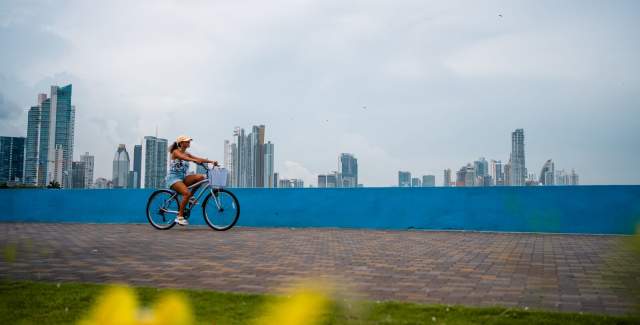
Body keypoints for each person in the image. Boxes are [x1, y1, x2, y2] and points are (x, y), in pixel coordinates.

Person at [166, 135, 217, 225]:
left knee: (201, 177)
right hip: (173, 179)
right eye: (187, 141)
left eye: (189, 141)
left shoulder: (187, 153)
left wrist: (211, 161)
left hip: (183, 178)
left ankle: (190, 198)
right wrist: (193, 160)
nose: (189, 143)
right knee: (186, 193)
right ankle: (179, 217)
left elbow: (198, 158)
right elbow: (183, 158)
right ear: (181, 143)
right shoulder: (175, 152)